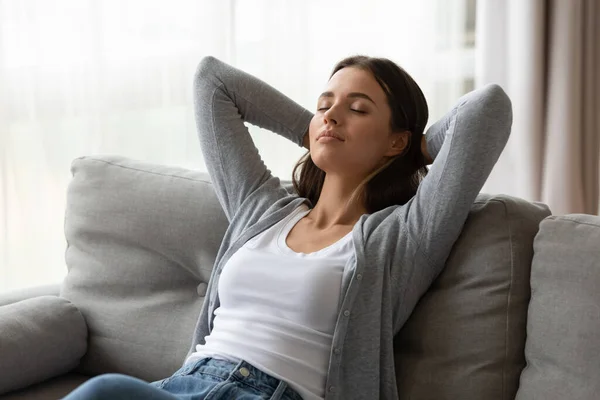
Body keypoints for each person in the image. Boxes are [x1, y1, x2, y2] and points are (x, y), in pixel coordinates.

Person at [62, 54, 512, 400]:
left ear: (396, 139)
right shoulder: (261, 208)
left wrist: (410, 149)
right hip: (183, 385)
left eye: (357, 109)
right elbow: (211, 81)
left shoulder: (402, 237)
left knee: (104, 393)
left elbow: (487, 109)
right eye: (324, 105)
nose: (333, 114)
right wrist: (319, 129)